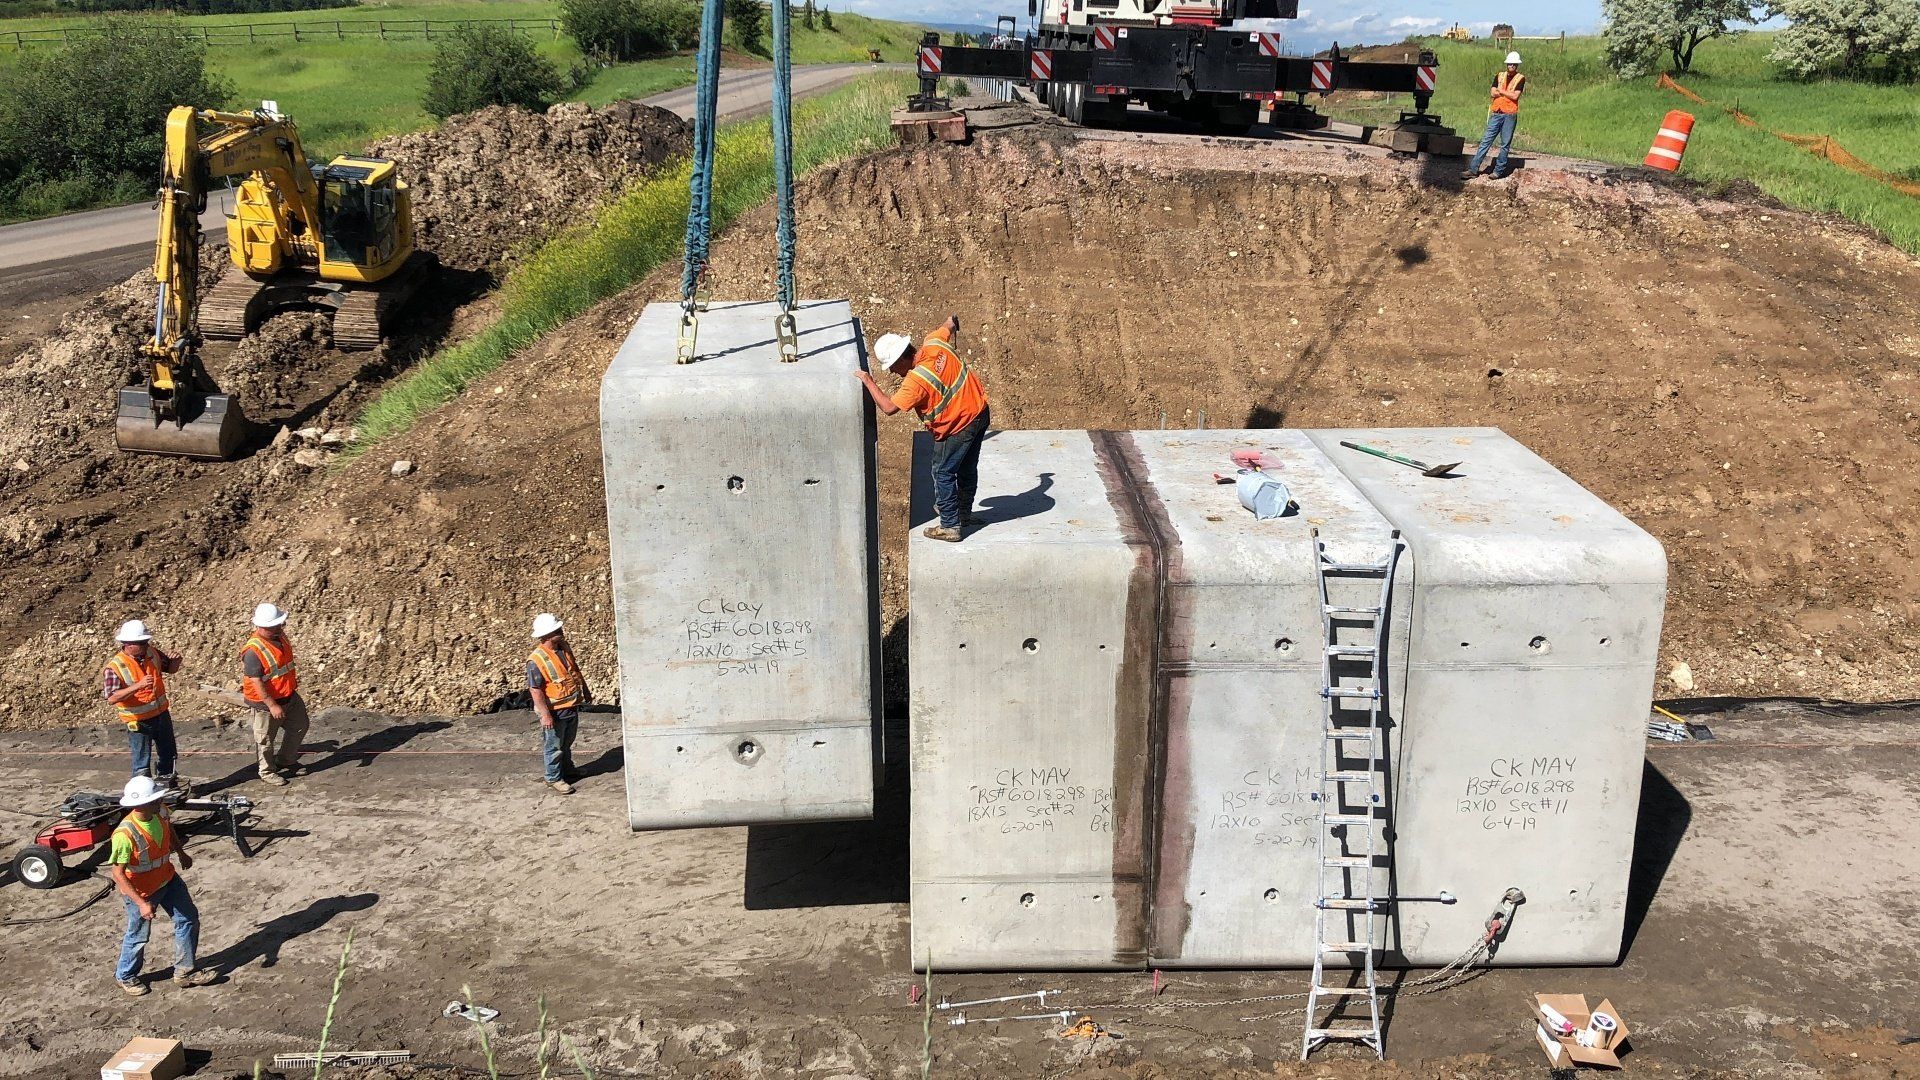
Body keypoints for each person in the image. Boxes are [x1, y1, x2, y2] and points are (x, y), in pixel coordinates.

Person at [856, 315, 991, 542]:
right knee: (967, 468)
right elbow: (948, 325)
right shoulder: (934, 342)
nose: (892, 372)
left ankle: (950, 525)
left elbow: (889, 408)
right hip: (979, 413)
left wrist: (869, 381)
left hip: (958, 426)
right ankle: (963, 515)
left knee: (943, 472)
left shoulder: (916, 381)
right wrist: (952, 321)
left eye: (892, 366)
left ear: (901, 358)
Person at [108, 775, 214, 995]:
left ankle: (185, 971)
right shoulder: (125, 835)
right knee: (138, 935)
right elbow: (117, 873)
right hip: (142, 891)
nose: (160, 801)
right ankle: (125, 976)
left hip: (168, 879)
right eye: (155, 799)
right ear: (141, 804)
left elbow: (169, 829)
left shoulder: (161, 812)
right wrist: (141, 903)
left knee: (188, 919)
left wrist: (181, 852)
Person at [103, 620, 184, 788]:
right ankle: (142, 792)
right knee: (141, 762)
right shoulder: (115, 667)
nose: (146, 645)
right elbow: (111, 697)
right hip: (138, 721)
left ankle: (167, 788)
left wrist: (175, 661)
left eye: (146, 641)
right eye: (141, 643)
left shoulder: (152, 653)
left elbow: (170, 669)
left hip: (161, 714)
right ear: (127, 644)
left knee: (168, 755)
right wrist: (137, 686)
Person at [239, 603, 308, 787]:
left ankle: (286, 760)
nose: (280, 627)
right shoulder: (253, 651)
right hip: (265, 704)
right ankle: (267, 771)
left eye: (280, 624)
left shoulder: (279, 636)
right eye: (275, 625)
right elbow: (257, 682)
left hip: (288, 695)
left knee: (299, 726)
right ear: (261, 626)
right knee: (265, 740)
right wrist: (272, 705)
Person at [527, 613, 590, 794]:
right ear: (547, 635)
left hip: (570, 706)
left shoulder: (563, 649)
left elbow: (574, 671)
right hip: (554, 712)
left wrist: (585, 691)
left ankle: (567, 770)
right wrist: (545, 715)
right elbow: (535, 690)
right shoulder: (536, 660)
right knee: (553, 747)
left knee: (566, 743)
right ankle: (553, 777)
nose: (561, 631)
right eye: (557, 630)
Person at [1466, 51, 1526, 180]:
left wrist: (1501, 91)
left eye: (1514, 64)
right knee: (1485, 141)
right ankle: (1473, 169)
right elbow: (1493, 92)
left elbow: (1515, 96)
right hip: (1497, 113)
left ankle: (1498, 171)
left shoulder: (1520, 78)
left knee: (1505, 145)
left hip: (1509, 114)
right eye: (1509, 64)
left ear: (1517, 65)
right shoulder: (1499, 75)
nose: (1511, 66)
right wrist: (1505, 93)